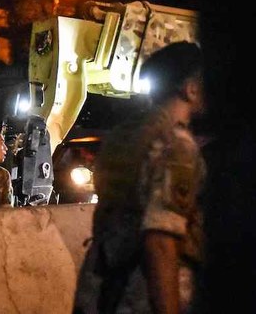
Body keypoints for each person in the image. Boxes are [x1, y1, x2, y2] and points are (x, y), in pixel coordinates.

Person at [73, 41, 206, 314]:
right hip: (141, 294)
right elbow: (160, 240)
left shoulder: (122, 136)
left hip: (100, 288)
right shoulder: (176, 144)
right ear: (190, 88)